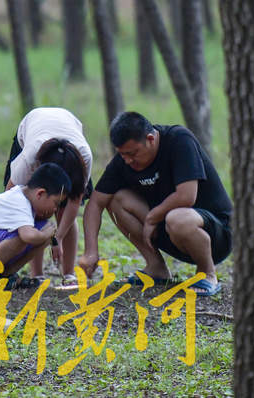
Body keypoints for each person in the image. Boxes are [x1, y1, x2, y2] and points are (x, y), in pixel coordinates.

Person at [78, 111, 232, 296]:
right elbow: (95, 203)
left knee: (177, 218)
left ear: (150, 139)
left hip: (216, 234)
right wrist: (91, 251)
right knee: (117, 199)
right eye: (122, 154)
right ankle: (156, 267)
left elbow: (186, 196)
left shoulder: (179, 140)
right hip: (170, 230)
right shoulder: (124, 160)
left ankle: (207, 273)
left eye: (132, 153)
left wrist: (152, 217)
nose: (127, 160)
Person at [3, 107, 93, 285]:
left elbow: (74, 203)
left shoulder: (83, 157)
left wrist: (57, 237)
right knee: (32, 211)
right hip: (32, 125)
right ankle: (36, 274)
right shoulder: (30, 157)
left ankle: (68, 273)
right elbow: (11, 197)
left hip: (67, 123)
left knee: (63, 213)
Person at [0, 163, 71, 293]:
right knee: (25, 236)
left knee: (42, 230)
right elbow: (28, 236)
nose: (55, 209)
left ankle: (5, 276)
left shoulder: (26, 200)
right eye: (56, 203)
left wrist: (47, 234)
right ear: (40, 194)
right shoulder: (19, 201)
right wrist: (46, 234)